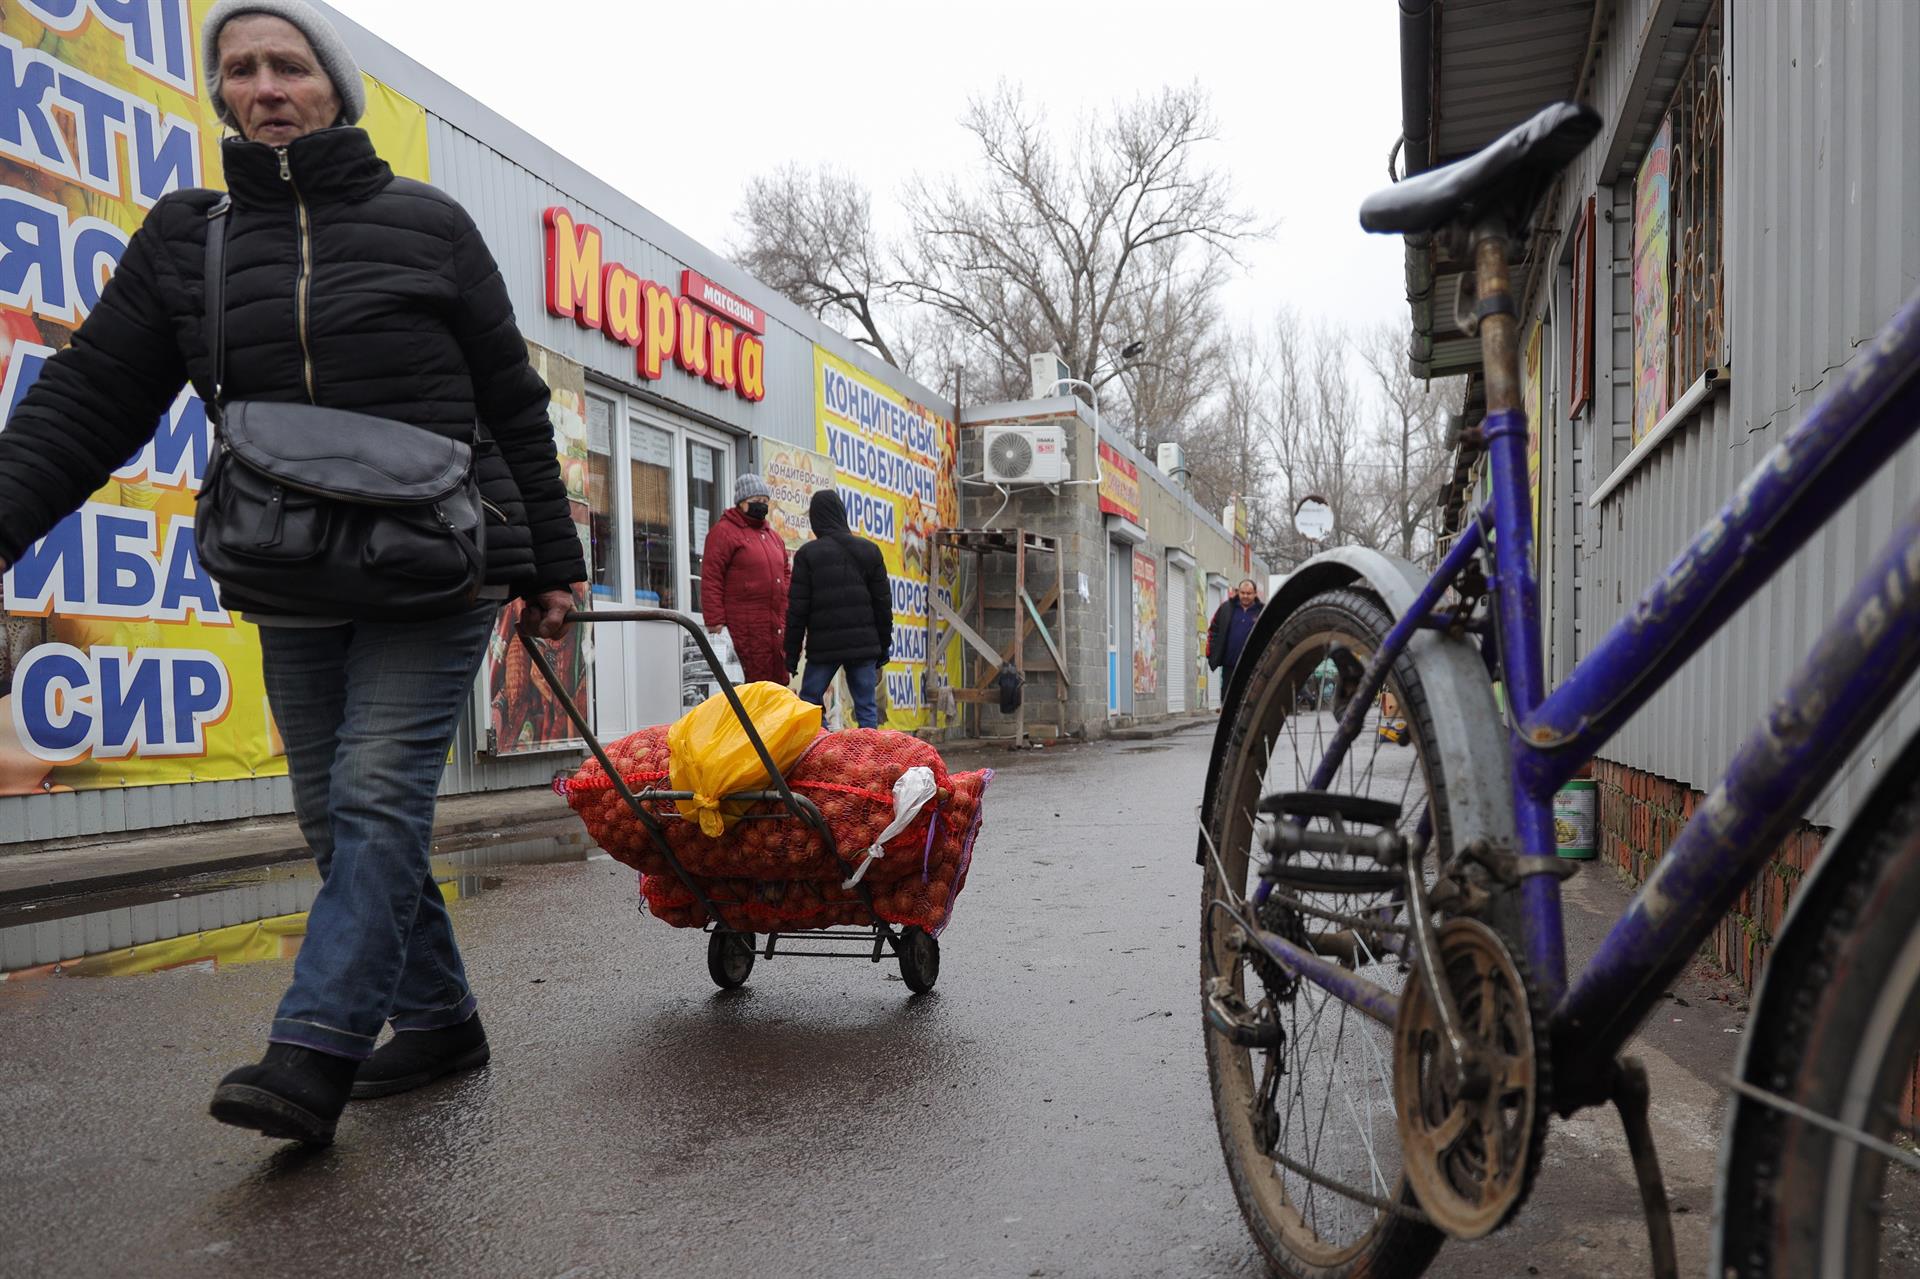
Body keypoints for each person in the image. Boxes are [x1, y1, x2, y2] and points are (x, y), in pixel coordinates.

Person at [0, 1, 584, 1145]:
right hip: (291, 566)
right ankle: (441, 1018)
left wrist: (552, 566)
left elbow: (513, 405)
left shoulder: (431, 225)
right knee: (333, 809)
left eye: (290, 65)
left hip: (440, 566)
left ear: (336, 86)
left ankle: (311, 1050)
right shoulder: (190, 240)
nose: (266, 86)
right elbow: (88, 397)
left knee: (374, 793)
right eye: (241, 69)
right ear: (220, 94)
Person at [785, 490, 892, 729]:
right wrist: (883, 647)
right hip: (863, 646)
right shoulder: (869, 551)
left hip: (824, 648)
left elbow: (797, 612)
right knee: (866, 710)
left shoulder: (807, 555)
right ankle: (869, 760)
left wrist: (791, 655)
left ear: (816, 519)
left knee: (810, 704)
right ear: (842, 515)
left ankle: (820, 753)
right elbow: (883, 605)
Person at [700, 474, 791, 685]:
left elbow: (785, 572)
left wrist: (786, 611)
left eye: (765, 502)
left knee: (773, 688)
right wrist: (715, 623)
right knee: (748, 687)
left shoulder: (773, 537)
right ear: (741, 502)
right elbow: (712, 578)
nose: (762, 506)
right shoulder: (723, 532)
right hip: (742, 629)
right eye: (756, 502)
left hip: (772, 628)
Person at [1208, 579, 1265, 683]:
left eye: (1249, 593)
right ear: (1238, 592)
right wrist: (1212, 653)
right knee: (1228, 698)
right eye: (1242, 593)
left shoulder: (1262, 612)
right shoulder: (1226, 608)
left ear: (1255, 594)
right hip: (1229, 666)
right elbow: (1213, 630)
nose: (1245, 596)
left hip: (1253, 669)